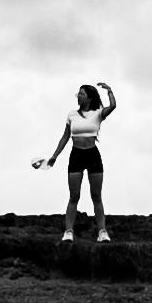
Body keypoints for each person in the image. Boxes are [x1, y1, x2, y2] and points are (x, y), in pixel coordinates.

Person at [33, 80, 116, 242]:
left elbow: (112, 106)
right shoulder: (71, 114)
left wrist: (110, 91)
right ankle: (68, 232)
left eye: (82, 94)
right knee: (74, 196)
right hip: (76, 155)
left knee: (96, 195)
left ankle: (102, 232)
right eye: (78, 93)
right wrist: (54, 156)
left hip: (93, 155)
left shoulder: (98, 113)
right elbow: (65, 137)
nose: (78, 96)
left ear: (89, 98)